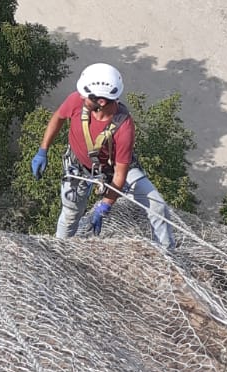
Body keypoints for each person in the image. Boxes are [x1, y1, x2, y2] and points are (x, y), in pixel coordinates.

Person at [30, 62, 175, 252]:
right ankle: (58, 252)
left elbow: (119, 176)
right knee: (71, 214)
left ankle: (167, 253)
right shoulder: (76, 101)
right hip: (79, 167)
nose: (81, 96)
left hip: (115, 169)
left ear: (101, 102)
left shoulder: (124, 127)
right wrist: (43, 150)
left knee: (157, 206)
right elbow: (57, 118)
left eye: (86, 95)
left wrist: (105, 205)